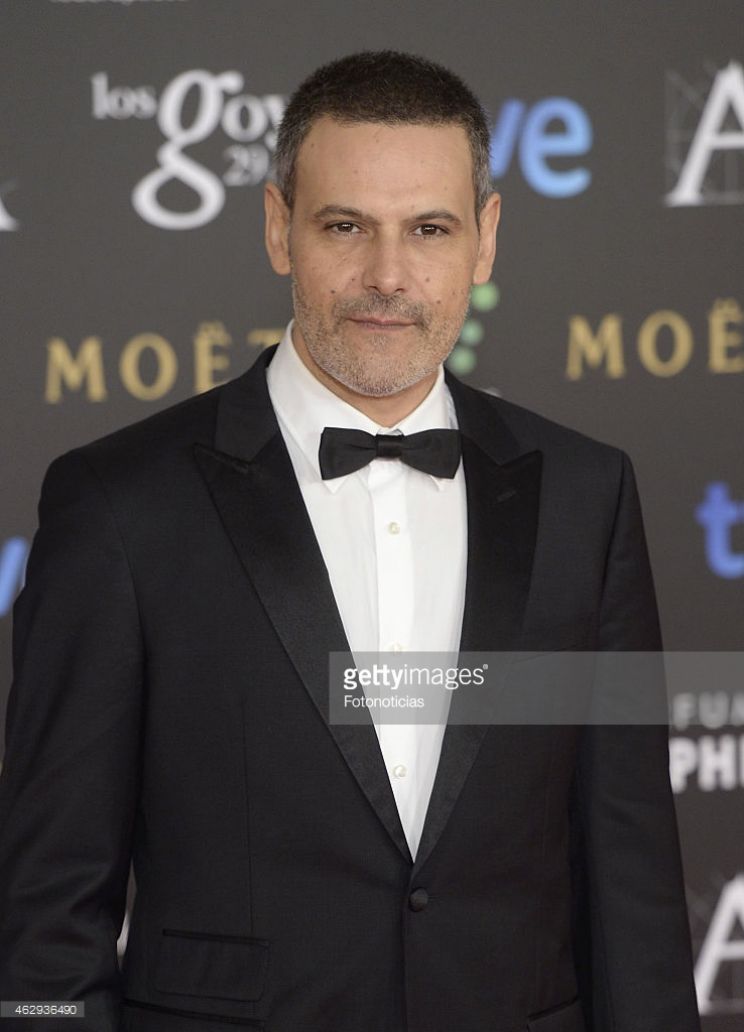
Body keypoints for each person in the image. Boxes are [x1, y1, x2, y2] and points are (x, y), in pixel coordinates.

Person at [0, 50, 701, 1032]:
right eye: (345, 226)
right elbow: (47, 906)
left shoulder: (589, 496)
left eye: (429, 229)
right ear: (278, 226)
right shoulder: (120, 505)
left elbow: (633, 876)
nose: (388, 275)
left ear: (487, 239)